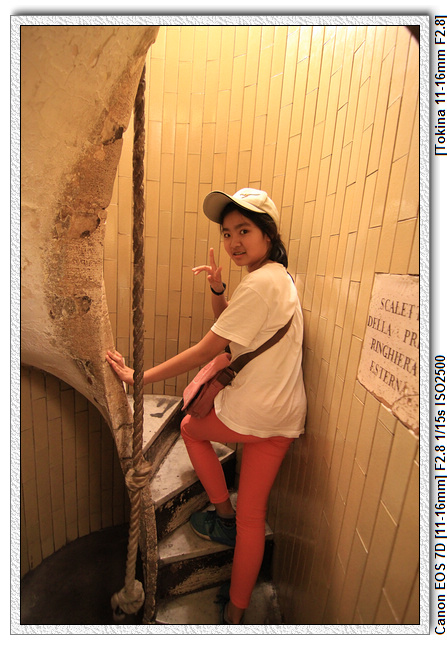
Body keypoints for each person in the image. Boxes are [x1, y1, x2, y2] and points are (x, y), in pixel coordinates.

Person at [106, 188, 307, 624]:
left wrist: (137, 378)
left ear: (268, 234)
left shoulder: (260, 284)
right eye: (227, 232)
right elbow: (233, 322)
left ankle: (222, 512)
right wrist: (218, 288)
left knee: (191, 429)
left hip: (254, 412)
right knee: (255, 519)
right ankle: (235, 613)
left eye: (244, 230)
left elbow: (206, 349)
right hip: (284, 416)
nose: (234, 242)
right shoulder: (279, 278)